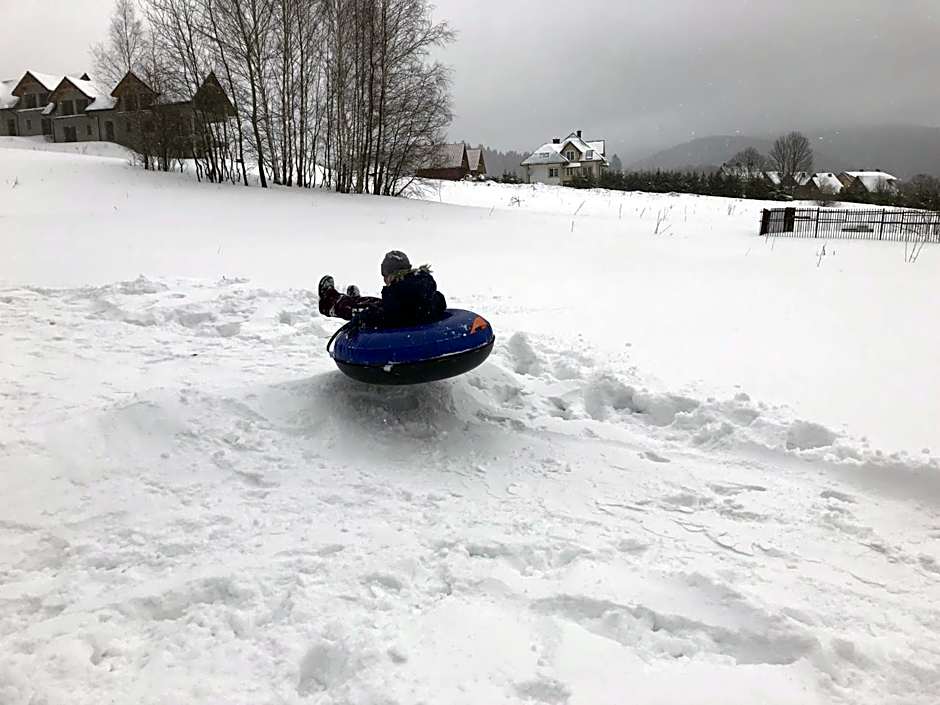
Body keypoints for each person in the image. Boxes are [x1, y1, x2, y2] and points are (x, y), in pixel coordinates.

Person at [318, 250, 447, 328]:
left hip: (402, 325)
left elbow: (391, 317)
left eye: (384, 276)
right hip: (408, 314)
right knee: (375, 303)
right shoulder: (420, 284)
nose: (384, 280)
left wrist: (362, 318)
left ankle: (329, 303)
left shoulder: (399, 292)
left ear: (392, 275)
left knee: (360, 310)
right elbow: (439, 301)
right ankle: (355, 299)